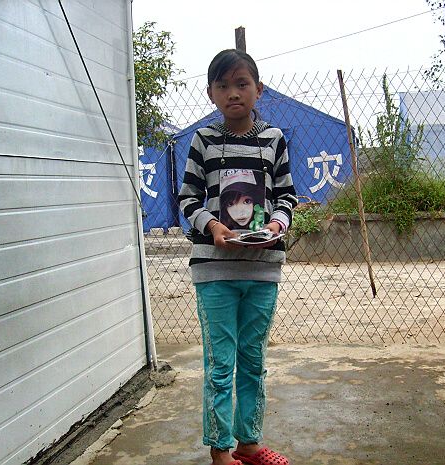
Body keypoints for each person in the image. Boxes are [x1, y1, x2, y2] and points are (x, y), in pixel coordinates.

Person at [177, 49, 298, 465]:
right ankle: (220, 451)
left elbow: (287, 196)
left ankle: (249, 443)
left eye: (242, 84)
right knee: (219, 364)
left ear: (258, 90)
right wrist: (213, 226)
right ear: (211, 93)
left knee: (253, 361)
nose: (233, 93)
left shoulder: (274, 140)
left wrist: (276, 225)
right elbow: (188, 198)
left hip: (263, 270)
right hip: (215, 270)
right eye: (223, 85)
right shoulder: (203, 141)